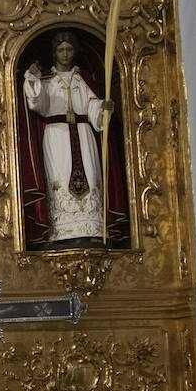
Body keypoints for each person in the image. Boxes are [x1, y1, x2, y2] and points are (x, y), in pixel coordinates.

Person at [20, 31, 126, 245]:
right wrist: (32, 79)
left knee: (91, 174)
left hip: (84, 133)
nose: (65, 54)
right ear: (54, 53)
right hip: (56, 136)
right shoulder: (48, 80)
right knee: (59, 176)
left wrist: (102, 108)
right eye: (61, 50)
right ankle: (62, 231)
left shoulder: (83, 79)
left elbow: (93, 108)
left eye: (69, 49)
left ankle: (91, 226)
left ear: (75, 52)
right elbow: (37, 104)